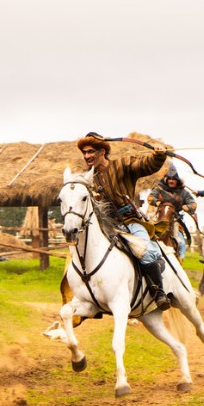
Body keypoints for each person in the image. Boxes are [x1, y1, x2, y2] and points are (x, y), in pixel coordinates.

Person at [77, 132, 173, 311]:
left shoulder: (122, 165)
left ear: (102, 151)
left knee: (146, 253)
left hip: (130, 221)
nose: (87, 156)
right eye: (84, 153)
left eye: (90, 151)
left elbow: (147, 165)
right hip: (106, 227)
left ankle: (159, 292)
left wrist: (158, 155)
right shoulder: (88, 178)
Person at [147, 165, 197, 259]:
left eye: (173, 179)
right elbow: (150, 197)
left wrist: (187, 207)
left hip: (175, 220)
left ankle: (180, 260)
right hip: (158, 216)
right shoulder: (159, 188)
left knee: (181, 244)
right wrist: (156, 202)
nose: (171, 181)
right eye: (169, 178)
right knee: (146, 236)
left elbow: (193, 204)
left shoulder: (183, 192)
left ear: (177, 180)